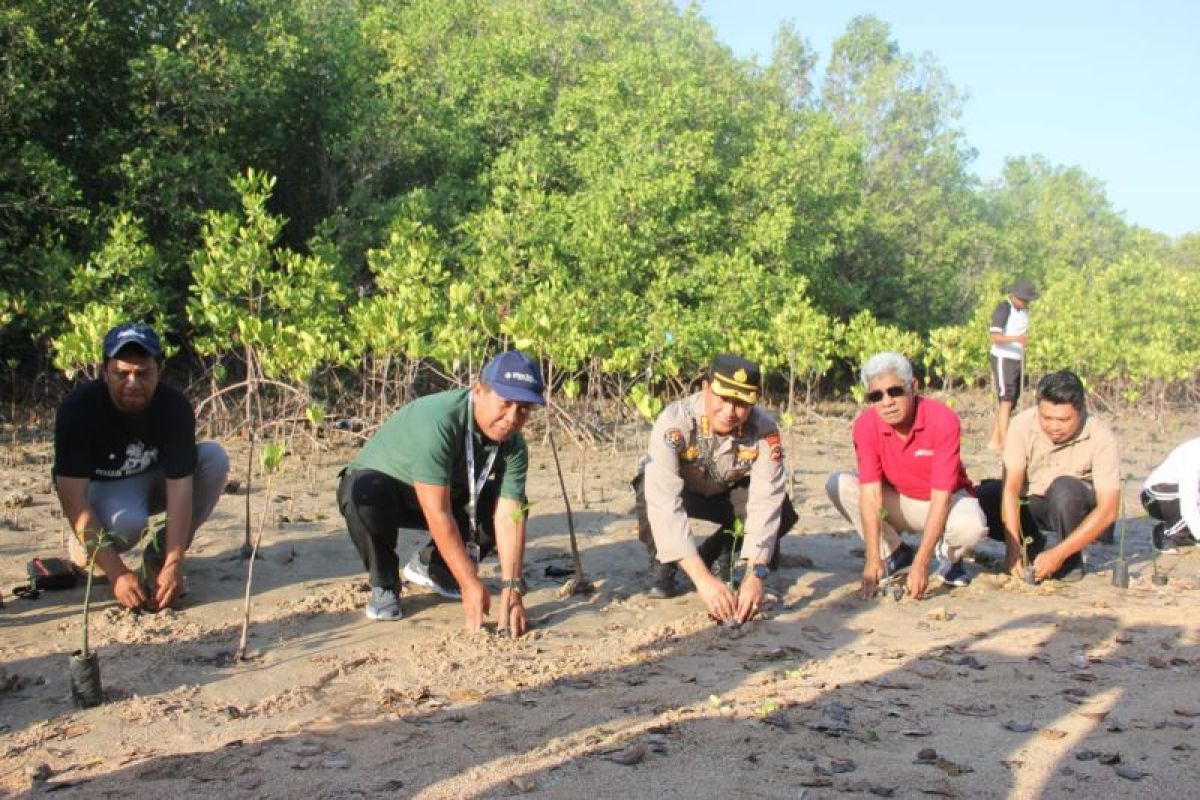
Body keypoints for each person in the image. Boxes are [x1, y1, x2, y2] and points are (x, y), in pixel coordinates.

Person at [337, 350, 544, 633]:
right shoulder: (439, 421)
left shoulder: (514, 444)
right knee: (363, 496)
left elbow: (510, 516)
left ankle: (433, 567)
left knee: (507, 502)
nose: (511, 418)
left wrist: (513, 591)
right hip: (389, 490)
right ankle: (384, 583)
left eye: (523, 410)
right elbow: (437, 511)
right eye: (505, 403)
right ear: (479, 390)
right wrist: (470, 583)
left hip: (448, 492)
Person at [53, 323, 230, 610]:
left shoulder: (174, 407)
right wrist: (118, 574)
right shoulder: (78, 411)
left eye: (143, 373)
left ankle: (159, 557)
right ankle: (87, 550)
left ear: (159, 369)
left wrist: (175, 561)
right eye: (121, 374)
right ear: (105, 372)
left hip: (152, 478)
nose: (132, 382)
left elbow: (180, 489)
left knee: (213, 459)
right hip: (103, 489)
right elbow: (72, 499)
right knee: (128, 524)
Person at [633, 354, 797, 625]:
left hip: (725, 493)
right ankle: (665, 563)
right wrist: (703, 581)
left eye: (742, 403)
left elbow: (766, 500)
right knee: (646, 489)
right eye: (724, 398)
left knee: (783, 511)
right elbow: (664, 501)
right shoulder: (675, 422)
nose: (731, 411)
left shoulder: (765, 430)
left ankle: (720, 550)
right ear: (707, 388)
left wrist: (755, 575)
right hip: (684, 492)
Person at [825, 352, 987, 601]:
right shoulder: (866, 426)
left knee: (971, 526)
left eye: (894, 391)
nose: (887, 402)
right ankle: (894, 553)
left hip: (945, 500)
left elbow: (942, 496)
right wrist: (872, 558)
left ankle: (949, 559)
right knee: (840, 484)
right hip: (900, 501)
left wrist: (922, 563)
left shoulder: (942, 420)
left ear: (913, 387)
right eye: (876, 396)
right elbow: (870, 493)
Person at [978, 370, 1120, 582]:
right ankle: (1031, 544)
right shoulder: (1021, 424)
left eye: (1063, 420)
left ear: (1081, 411)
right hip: (1035, 502)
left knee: (1064, 490)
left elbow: (1108, 510)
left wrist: (1059, 554)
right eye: (1046, 418)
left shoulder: (1102, 437)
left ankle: (1070, 559)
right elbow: (1011, 490)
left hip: (1076, 510)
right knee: (984, 497)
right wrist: (1013, 548)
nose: (1054, 427)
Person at [986, 279, 1038, 451]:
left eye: (1027, 300)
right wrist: (1017, 339)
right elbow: (995, 338)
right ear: (1014, 296)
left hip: (1017, 358)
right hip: (1003, 358)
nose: (1025, 303)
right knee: (1006, 399)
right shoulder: (1003, 309)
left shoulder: (1024, 311)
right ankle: (1007, 444)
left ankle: (995, 442)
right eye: (1023, 299)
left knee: (1010, 402)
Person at [1142, 437, 1200, 553]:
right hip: (1155, 497)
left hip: (1182, 496)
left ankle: (1185, 532)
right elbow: (1189, 505)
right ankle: (1164, 532)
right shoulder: (1195, 454)